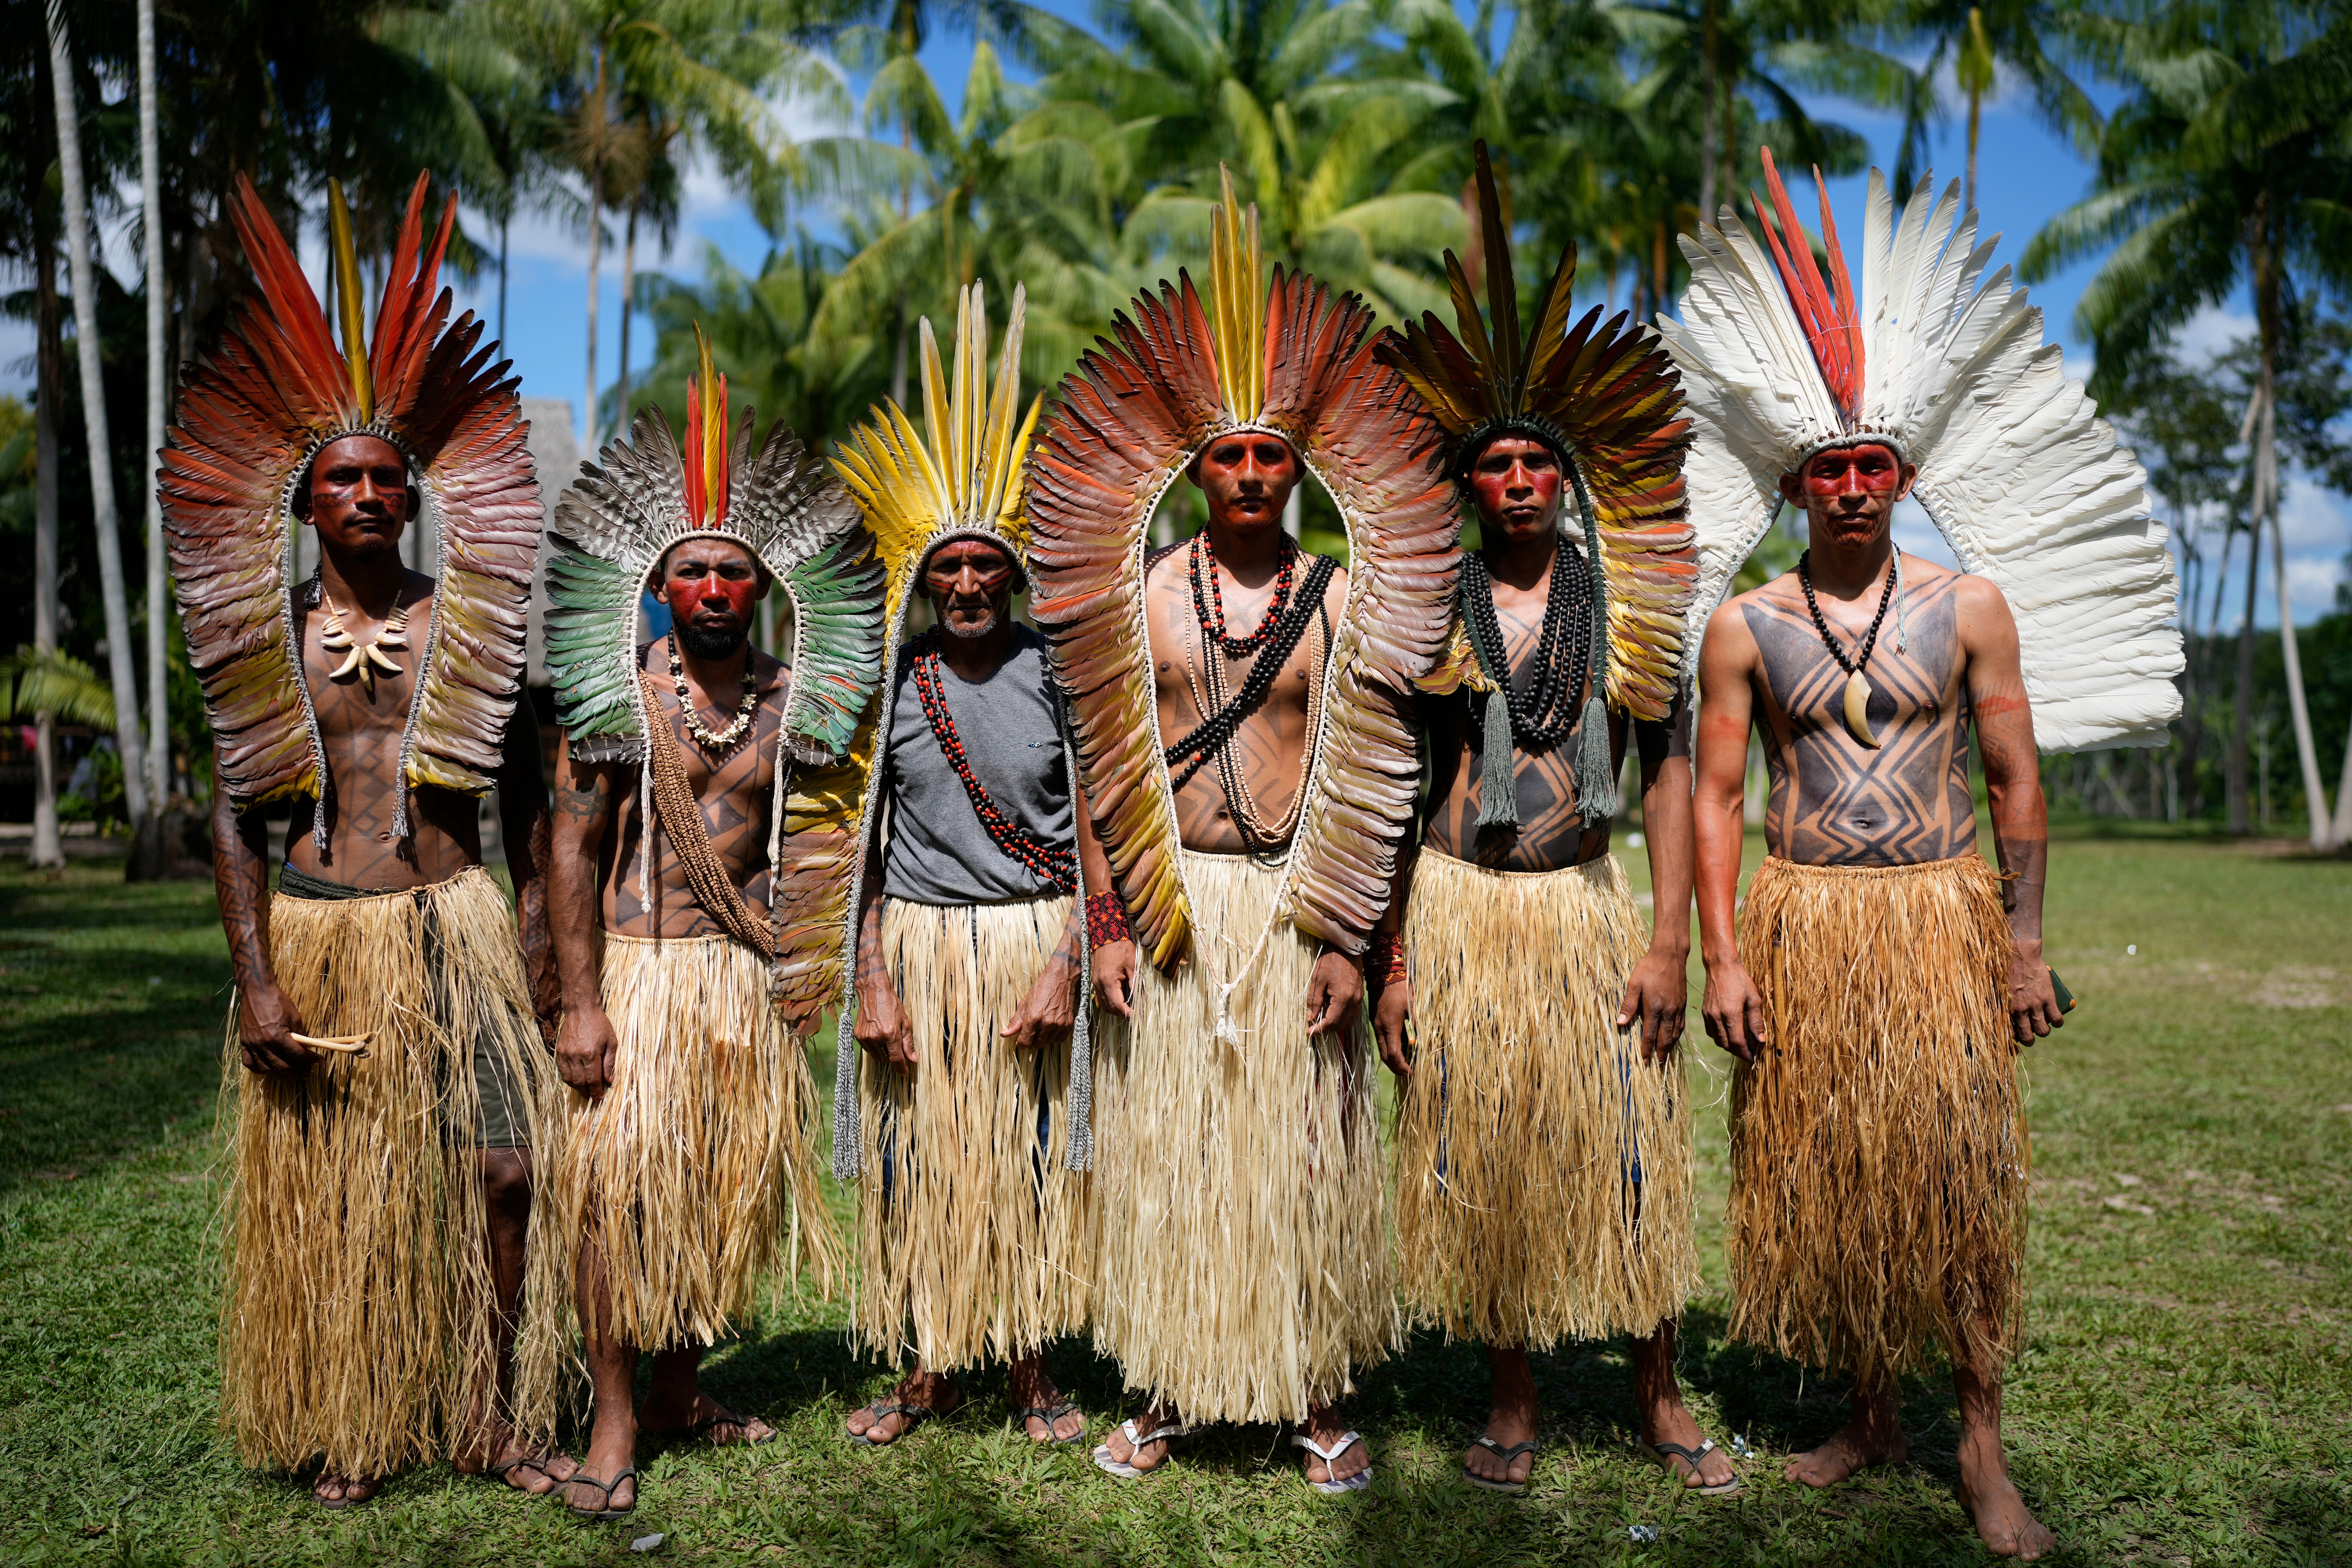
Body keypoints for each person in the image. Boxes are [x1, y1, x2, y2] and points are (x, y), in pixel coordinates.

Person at [1665, 152, 2182, 1560]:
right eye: (1828, 469)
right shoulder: (1747, 626)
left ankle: (1979, 1441)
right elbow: (1715, 798)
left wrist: (2021, 945)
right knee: (1837, 1181)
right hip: (1807, 922)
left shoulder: (1971, 609)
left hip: (1939, 918)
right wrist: (1725, 954)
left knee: (1955, 1182)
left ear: (1900, 474)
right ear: (1795, 480)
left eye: (1872, 467)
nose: (1850, 487)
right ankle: (1866, 1416)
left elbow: (2016, 780)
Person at [1026, 174, 1459, 1492]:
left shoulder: (1340, 600)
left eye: (1275, 456)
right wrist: (1108, 917)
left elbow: (1377, 766)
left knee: (1306, 1152)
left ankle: (1315, 1389)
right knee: (1171, 1149)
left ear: (1300, 468)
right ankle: (1164, 1389)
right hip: (1174, 906)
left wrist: (1348, 937)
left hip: (1293, 907)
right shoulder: (1140, 595)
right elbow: (1103, 771)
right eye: (1232, 456)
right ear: (1198, 467)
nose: (1256, 475)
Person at [160, 174, 566, 1506]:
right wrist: (257, 977)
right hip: (323, 930)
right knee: (343, 1190)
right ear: (304, 501)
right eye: (344, 477)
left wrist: (547, 961)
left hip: (457, 926)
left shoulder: (473, 619)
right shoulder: (265, 632)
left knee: (501, 1170)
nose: (370, 496)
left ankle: (495, 1409)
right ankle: (353, 1413)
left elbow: (531, 799)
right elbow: (238, 809)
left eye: (391, 476)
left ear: (417, 494)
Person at [1370, 142, 1734, 1498]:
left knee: (1630, 1155)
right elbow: (1400, 793)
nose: (1520, 479)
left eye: (1538, 461)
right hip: (1461, 909)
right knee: (1488, 1159)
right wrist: (1399, 960)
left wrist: (1669, 945)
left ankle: (1659, 1393)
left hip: (1584, 909)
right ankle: (1513, 1399)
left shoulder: (1627, 607)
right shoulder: (1421, 610)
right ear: (1465, 483)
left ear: (1567, 477)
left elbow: (1675, 779)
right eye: (1497, 462)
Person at [534, 339, 885, 1521]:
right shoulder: (618, 694)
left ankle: (682, 1390)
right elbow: (573, 848)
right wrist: (579, 1001)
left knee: (712, 1193)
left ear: (767, 588)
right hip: (638, 976)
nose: (718, 592)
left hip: (743, 983)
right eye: (695, 575)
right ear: (663, 587)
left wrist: (814, 960)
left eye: (736, 574)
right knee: (616, 1198)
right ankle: (615, 1413)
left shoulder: (804, 703)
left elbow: (839, 838)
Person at [827, 286, 1117, 1447]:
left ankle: (1034, 1371)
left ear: (1014, 575)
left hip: (1030, 940)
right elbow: (850, 849)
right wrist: (870, 976)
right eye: (944, 568)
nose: (963, 586)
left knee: (1036, 1162)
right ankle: (923, 1369)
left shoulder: (1063, 673)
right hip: (920, 942)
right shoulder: (884, 685)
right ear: (921, 575)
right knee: (912, 1166)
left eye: (982, 568)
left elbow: (1097, 818)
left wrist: (1069, 959)